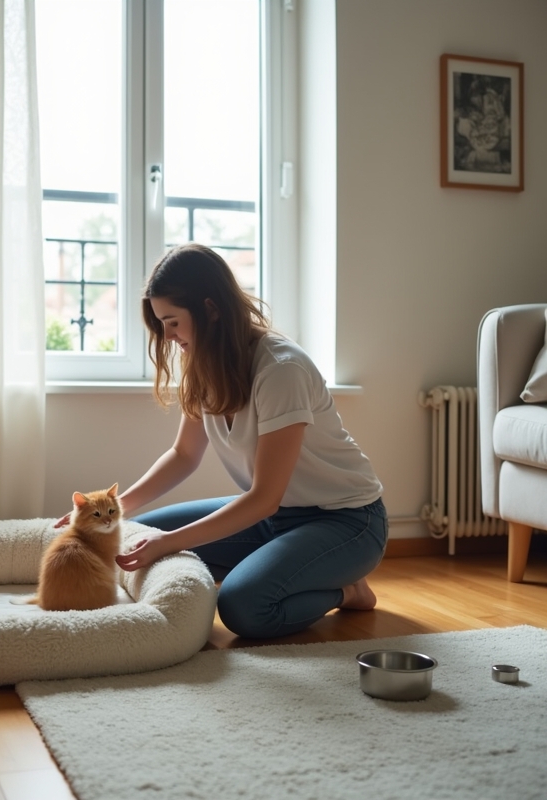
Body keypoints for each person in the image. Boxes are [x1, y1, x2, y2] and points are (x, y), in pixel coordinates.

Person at [112, 243, 388, 639]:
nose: (167, 336)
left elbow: (264, 497)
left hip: (346, 521)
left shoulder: (280, 369)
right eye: (162, 324)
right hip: (272, 518)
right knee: (137, 535)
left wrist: (169, 543)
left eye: (172, 321)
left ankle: (347, 591)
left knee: (244, 607)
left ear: (210, 308)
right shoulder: (203, 364)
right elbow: (183, 454)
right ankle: (278, 568)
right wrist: (116, 510)